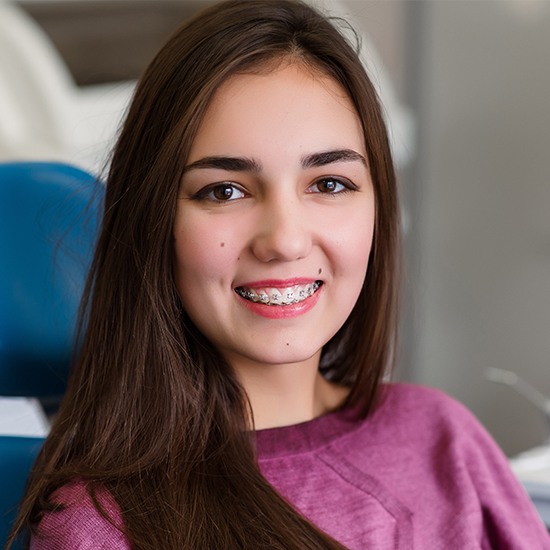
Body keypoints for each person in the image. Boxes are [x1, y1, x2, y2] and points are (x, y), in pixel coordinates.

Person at [8, 0, 550, 548]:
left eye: (329, 184)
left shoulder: (444, 438)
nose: (286, 241)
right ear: (155, 225)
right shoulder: (101, 525)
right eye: (225, 191)